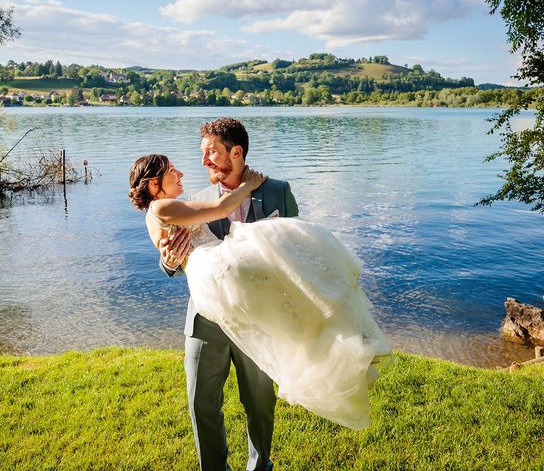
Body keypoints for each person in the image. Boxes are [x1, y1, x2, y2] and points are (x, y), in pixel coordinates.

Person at [128, 118, 391, 471]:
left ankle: (260, 465)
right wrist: (168, 261)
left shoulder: (278, 190)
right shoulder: (195, 201)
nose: (203, 162)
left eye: (211, 153)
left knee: (260, 402)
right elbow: (174, 252)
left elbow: (299, 254)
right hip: (207, 317)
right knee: (201, 402)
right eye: (202, 154)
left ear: (235, 152)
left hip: (262, 316)